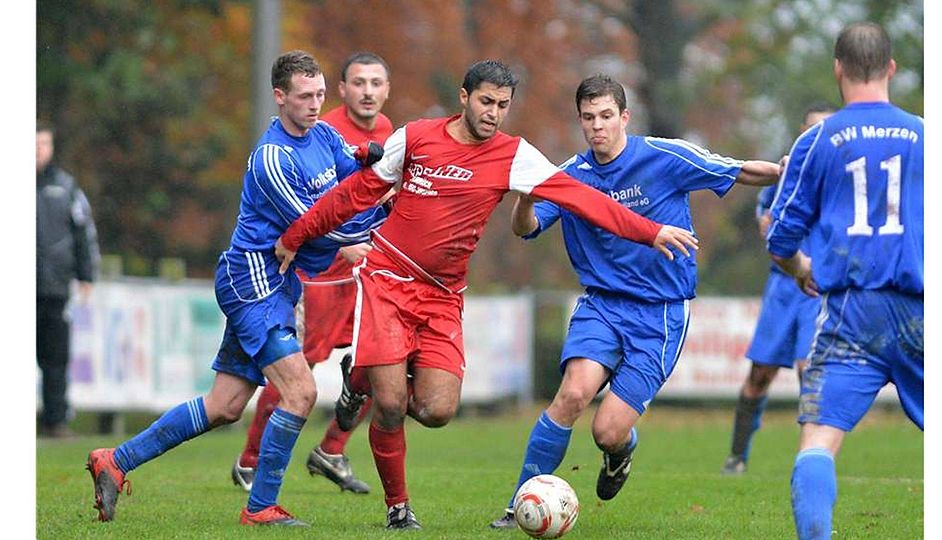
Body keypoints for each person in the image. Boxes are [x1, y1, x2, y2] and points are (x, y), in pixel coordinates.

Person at [273, 60, 702, 530]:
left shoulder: (515, 155)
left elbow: (587, 201)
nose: (493, 113)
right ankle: (398, 508)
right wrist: (296, 236)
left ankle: (364, 377)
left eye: (502, 105)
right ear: (464, 97)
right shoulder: (416, 136)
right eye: (485, 102)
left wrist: (650, 231)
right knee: (392, 403)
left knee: (437, 412)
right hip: (388, 280)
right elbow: (355, 193)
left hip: (442, 295)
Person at [84, 50, 386, 526]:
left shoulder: (325, 135)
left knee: (224, 405)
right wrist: (384, 219)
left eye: (321, 95)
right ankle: (261, 507)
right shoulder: (272, 158)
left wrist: (379, 181)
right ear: (279, 96)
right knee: (300, 392)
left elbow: (356, 186)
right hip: (253, 280)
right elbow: (319, 227)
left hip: (277, 282)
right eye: (305, 96)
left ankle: (115, 461)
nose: (315, 104)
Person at [488, 74, 782, 529]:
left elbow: (737, 169)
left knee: (606, 430)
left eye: (606, 116)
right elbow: (525, 229)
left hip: (661, 312)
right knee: (571, 394)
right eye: (588, 118)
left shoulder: (664, 156)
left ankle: (620, 452)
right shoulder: (569, 176)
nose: (597, 127)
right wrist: (527, 195)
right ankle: (518, 505)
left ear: (624, 116)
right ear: (580, 121)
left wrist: (786, 173)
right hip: (602, 305)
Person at [766, 22, 922, 540]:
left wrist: (801, 270)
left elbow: (780, 239)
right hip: (924, 310)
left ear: (838, 69)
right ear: (891, 69)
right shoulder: (928, 136)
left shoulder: (817, 140)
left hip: (850, 313)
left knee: (818, 442)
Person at [231, 51, 393, 496]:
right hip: (317, 273)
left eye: (376, 83)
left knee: (382, 361)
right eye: (358, 82)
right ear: (346, 90)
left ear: (386, 90)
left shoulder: (381, 136)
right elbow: (315, 220)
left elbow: (373, 182)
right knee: (297, 373)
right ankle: (251, 460)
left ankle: (332, 449)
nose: (367, 91)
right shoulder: (312, 133)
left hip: (365, 270)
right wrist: (356, 234)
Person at [721, 102, 835, 475]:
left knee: (808, 371)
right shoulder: (788, 174)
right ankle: (736, 457)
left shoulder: (844, 178)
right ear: (802, 132)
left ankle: (810, 461)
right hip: (782, 288)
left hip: (818, 290)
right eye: (812, 130)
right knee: (759, 377)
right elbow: (766, 225)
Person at [36, 121, 100, 439]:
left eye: (43, 143)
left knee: (55, 357)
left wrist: (86, 274)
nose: (38, 150)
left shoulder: (65, 187)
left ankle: (54, 419)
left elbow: (83, 232)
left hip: (53, 286)